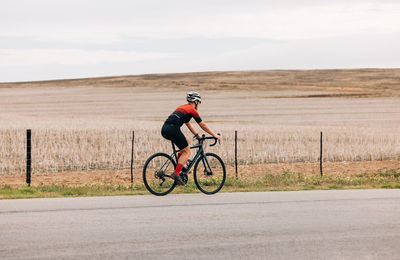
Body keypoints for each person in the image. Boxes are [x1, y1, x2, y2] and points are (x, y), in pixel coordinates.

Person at [161, 91, 221, 185]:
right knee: (187, 151)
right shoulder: (192, 109)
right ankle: (176, 174)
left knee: (187, 142)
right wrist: (214, 135)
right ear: (196, 102)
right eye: (199, 103)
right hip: (173, 129)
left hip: (165, 129)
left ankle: (179, 167)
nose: (199, 105)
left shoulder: (182, 107)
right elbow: (202, 125)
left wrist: (197, 135)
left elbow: (188, 124)